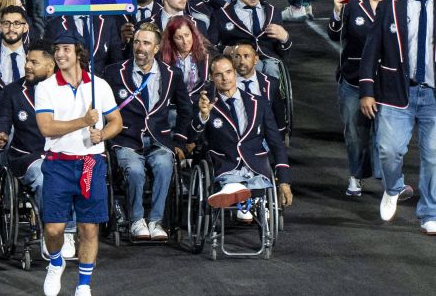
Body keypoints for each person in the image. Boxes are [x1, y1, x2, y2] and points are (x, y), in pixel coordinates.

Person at [34, 32, 121, 296]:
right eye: (57, 50)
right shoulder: (45, 87)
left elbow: (116, 121)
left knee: (88, 227)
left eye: (65, 49)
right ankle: (56, 261)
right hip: (58, 164)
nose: (60, 54)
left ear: (78, 53)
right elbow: (46, 127)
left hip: (90, 163)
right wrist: (83, 122)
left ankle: (84, 284)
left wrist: (101, 134)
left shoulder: (100, 85)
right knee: (53, 227)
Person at [360, 0, 436, 231]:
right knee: (389, 150)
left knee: (433, 155)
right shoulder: (390, 7)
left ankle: (429, 213)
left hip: (433, 96)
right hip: (395, 93)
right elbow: (371, 51)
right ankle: (393, 188)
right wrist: (367, 90)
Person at [102, 24, 190, 242]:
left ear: (157, 48)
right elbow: (101, 107)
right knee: (134, 170)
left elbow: (186, 108)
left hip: (159, 138)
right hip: (125, 138)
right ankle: (137, 220)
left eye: (147, 43)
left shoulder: (172, 74)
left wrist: (179, 140)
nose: (140, 47)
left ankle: (156, 221)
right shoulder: (114, 72)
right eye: (137, 42)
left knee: (164, 164)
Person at [193, 53, 294, 215]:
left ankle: (242, 198)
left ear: (235, 73)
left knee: (256, 185)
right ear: (212, 78)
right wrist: (203, 116)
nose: (225, 78)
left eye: (228, 72)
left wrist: (284, 181)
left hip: (256, 166)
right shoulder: (206, 104)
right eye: (219, 75)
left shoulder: (259, 103)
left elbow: (276, 143)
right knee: (232, 183)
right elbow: (193, 139)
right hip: (224, 165)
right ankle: (242, 198)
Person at [331, 0, 392, 198]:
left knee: (386, 137)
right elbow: (335, 35)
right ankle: (356, 175)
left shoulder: (396, 7)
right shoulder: (352, 6)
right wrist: (337, 11)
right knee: (355, 134)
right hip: (353, 80)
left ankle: (389, 180)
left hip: (386, 83)